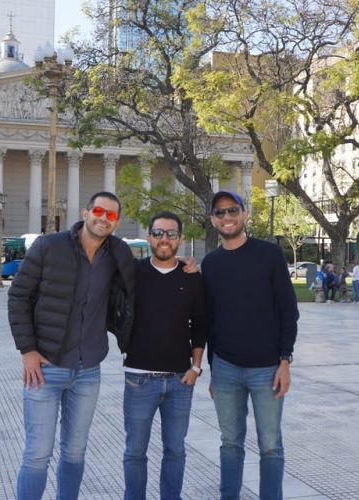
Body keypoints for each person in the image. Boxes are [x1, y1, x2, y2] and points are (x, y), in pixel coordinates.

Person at [8, 191, 135, 500]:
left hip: (88, 370)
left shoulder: (119, 254)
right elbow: (18, 297)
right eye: (99, 211)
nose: (104, 218)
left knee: (75, 452)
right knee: (38, 453)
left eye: (111, 216)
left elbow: (145, 282)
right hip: (45, 369)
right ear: (86, 212)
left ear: (116, 223)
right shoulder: (49, 246)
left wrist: (187, 267)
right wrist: (28, 351)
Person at [201, 191, 299, 500]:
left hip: (267, 368)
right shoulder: (211, 263)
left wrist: (285, 361)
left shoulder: (269, 254)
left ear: (244, 214)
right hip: (227, 370)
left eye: (232, 211)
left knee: (270, 445)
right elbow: (210, 320)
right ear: (213, 220)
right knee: (230, 442)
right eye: (220, 213)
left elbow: (288, 310)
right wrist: (214, 371)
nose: (226, 217)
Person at [123, 211, 207, 500]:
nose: (164, 239)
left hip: (179, 381)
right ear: (148, 238)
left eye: (171, 234)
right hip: (138, 379)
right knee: (135, 451)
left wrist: (196, 367)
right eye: (158, 233)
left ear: (180, 240)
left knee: (176, 450)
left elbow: (200, 324)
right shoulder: (132, 273)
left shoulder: (192, 278)